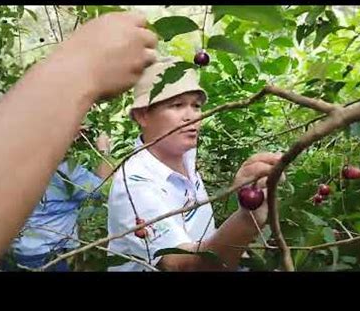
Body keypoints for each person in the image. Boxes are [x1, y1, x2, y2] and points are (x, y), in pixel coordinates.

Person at [0, 11, 158, 271]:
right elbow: (102, 189)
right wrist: (103, 148)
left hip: (7, 256)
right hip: (51, 259)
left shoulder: (5, 164)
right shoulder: (65, 172)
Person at [107, 58, 283, 271]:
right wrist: (245, 220)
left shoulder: (186, 159)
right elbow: (183, 265)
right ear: (142, 115)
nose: (191, 117)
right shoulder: (134, 183)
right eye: (177, 105)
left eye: (196, 106)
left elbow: (204, 238)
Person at [0, 131, 112, 272]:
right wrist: (104, 151)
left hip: (9, 252)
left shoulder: (10, 161)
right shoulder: (65, 169)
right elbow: (102, 189)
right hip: (45, 257)